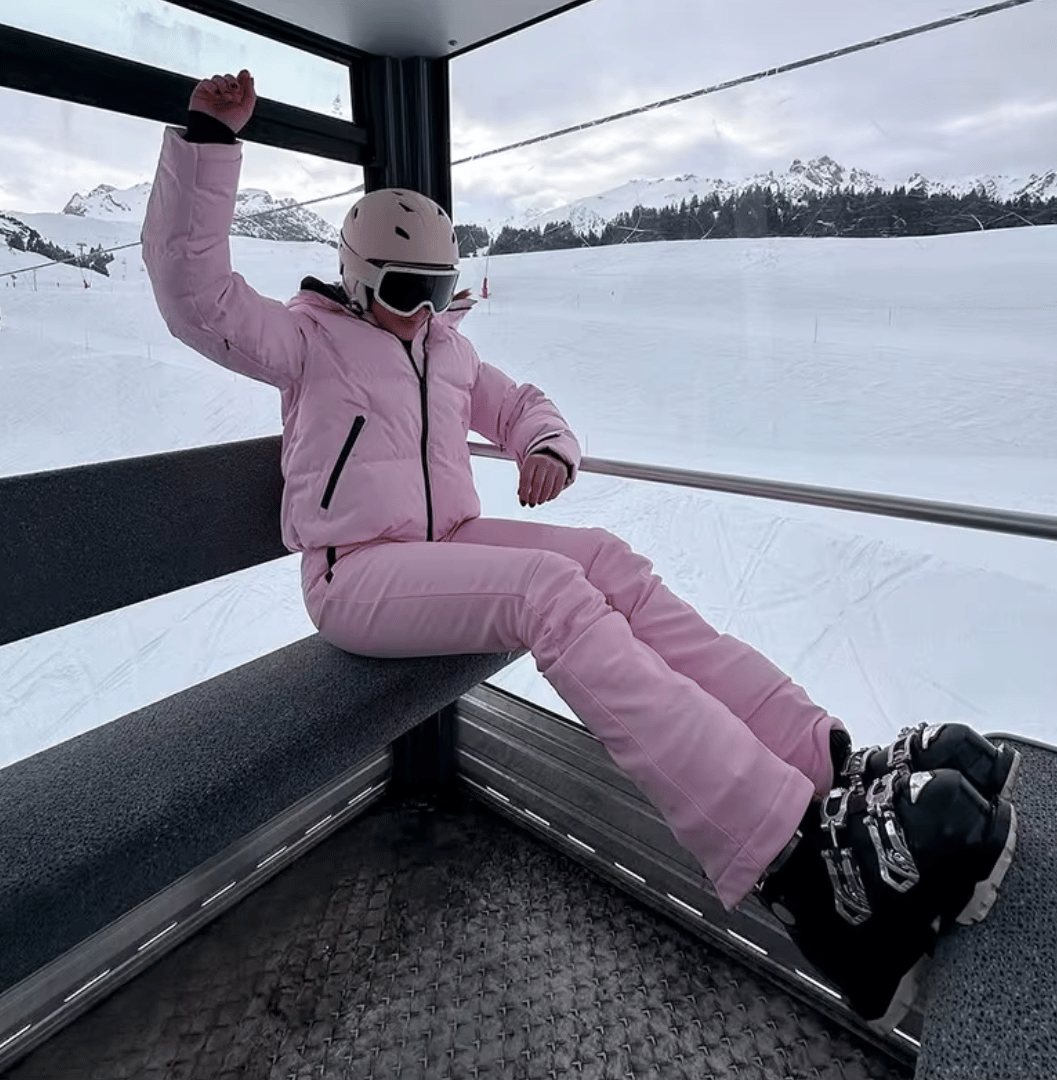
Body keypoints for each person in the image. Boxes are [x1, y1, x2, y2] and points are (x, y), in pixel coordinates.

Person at [141, 70, 1019, 1032]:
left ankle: (820, 764)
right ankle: (797, 868)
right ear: (355, 276)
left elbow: (516, 403)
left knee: (601, 559)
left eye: (438, 289)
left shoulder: (443, 346)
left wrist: (543, 440)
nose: (423, 310)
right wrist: (207, 142)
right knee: (551, 594)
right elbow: (197, 299)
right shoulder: (307, 341)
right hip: (355, 574)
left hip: (448, 548)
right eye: (403, 290)